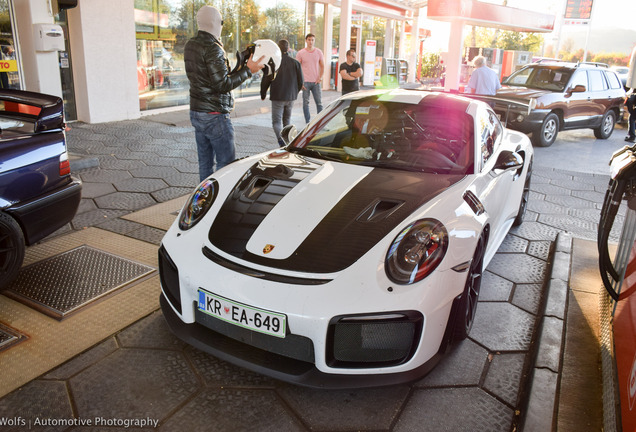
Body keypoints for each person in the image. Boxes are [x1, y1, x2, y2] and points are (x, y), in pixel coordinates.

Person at [184, 5, 264, 182]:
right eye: (221, 22)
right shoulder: (213, 48)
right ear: (215, 23)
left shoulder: (191, 45)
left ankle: (204, 201)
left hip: (197, 111)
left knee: (204, 163)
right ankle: (219, 203)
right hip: (214, 114)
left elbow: (206, 78)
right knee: (226, 164)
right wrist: (248, 70)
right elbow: (223, 84)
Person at [260, 39, 304, 146]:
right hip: (290, 97)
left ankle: (281, 141)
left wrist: (263, 93)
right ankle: (287, 140)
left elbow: (266, 79)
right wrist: (295, 93)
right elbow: (301, 81)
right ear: (288, 49)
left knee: (276, 121)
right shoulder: (295, 63)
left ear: (277, 49)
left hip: (277, 96)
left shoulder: (273, 63)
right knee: (287, 120)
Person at [296, 33, 324, 123]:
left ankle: (319, 122)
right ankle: (307, 123)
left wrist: (320, 77)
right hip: (305, 82)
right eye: (309, 40)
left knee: (319, 103)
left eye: (312, 40)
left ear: (314, 41)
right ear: (306, 40)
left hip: (316, 82)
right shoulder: (301, 53)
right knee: (305, 104)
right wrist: (300, 82)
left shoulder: (318, 52)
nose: (311, 42)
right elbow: (297, 68)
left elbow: (322, 66)